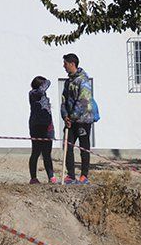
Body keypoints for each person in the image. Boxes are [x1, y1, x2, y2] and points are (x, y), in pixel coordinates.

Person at [60, 53, 95, 185]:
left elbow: (83, 101)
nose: (64, 66)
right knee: (67, 146)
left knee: (83, 147)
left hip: (83, 120)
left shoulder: (83, 80)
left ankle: (84, 176)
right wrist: (65, 115)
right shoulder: (68, 82)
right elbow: (63, 99)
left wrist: (73, 117)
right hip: (70, 121)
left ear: (72, 64)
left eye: (65, 63)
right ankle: (70, 175)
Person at [28, 76, 57, 184]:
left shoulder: (43, 94)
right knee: (35, 152)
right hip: (36, 126)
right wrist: (45, 83)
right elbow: (46, 85)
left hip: (47, 127)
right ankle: (33, 177)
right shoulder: (33, 93)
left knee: (47, 154)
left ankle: (51, 176)